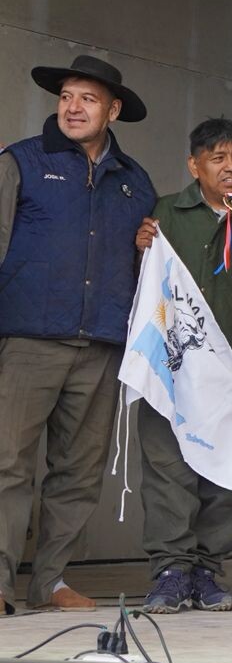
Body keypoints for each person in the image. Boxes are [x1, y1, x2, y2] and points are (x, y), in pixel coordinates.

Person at [0, 56, 156, 614]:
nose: (72, 107)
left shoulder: (134, 182)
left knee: (77, 473)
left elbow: (149, 272)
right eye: (66, 96)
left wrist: (146, 248)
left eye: (87, 99)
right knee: (6, 462)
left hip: (101, 346)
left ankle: (52, 581)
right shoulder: (21, 161)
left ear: (112, 110)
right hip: (27, 338)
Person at [132, 119, 232, 614]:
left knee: (223, 471)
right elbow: (145, 285)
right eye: (217, 158)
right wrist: (140, 249)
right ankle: (171, 571)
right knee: (169, 471)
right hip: (173, 369)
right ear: (194, 166)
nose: (230, 167)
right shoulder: (166, 213)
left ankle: (209, 571)